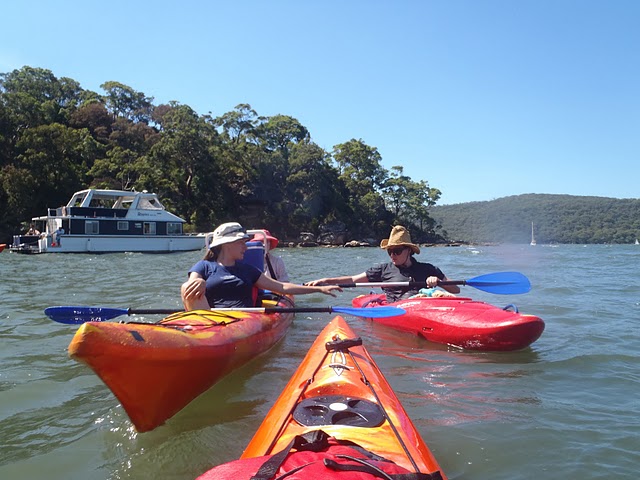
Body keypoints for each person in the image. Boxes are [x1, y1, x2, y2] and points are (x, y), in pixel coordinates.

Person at [181, 222, 342, 310]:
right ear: (227, 244)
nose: (246, 247)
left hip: (242, 320)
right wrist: (199, 282)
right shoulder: (204, 266)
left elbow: (283, 287)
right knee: (185, 287)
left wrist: (319, 289)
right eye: (242, 243)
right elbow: (191, 283)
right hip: (210, 319)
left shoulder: (248, 270)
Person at [305, 225, 460, 302]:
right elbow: (352, 280)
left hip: (424, 306)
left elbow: (456, 289)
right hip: (397, 308)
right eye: (389, 251)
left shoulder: (428, 269)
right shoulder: (383, 269)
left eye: (397, 251)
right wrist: (325, 281)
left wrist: (437, 282)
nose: (392, 255)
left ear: (409, 251)